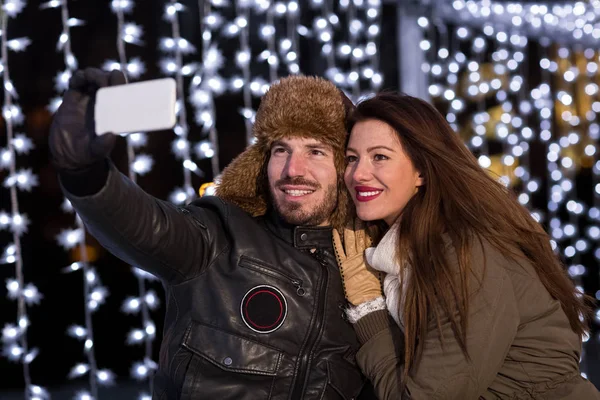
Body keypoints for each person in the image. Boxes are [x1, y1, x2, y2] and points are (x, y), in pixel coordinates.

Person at [49, 68, 389, 399]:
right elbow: (144, 225)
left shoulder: (377, 269)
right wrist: (85, 173)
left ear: (347, 168)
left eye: (315, 151)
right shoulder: (219, 234)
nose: (292, 170)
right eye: (280, 150)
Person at [333, 92, 600, 399]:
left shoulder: (465, 254)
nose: (358, 174)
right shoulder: (406, 252)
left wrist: (368, 310)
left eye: (379, 156)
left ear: (421, 170)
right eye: (352, 158)